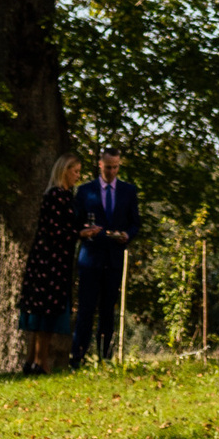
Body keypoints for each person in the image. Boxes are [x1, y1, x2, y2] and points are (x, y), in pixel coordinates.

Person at [14, 153, 85, 373]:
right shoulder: (57, 196)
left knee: (42, 311)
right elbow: (55, 230)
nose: (77, 176)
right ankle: (39, 362)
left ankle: (33, 360)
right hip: (49, 261)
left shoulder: (64, 196)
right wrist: (80, 232)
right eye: (75, 171)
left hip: (55, 260)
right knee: (45, 312)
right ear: (65, 171)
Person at [72, 145, 140, 367]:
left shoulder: (128, 191)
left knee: (108, 311)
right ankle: (78, 357)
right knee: (85, 310)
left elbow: (135, 223)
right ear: (100, 164)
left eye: (116, 167)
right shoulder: (85, 191)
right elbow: (75, 223)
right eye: (108, 167)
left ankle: (105, 358)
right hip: (90, 258)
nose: (112, 171)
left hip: (114, 258)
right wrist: (84, 231)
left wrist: (126, 235)